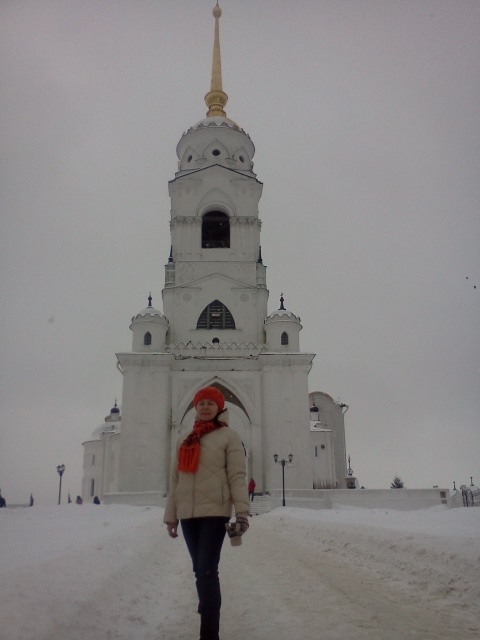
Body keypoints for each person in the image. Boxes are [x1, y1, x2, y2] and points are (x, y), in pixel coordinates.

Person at [164, 386, 250, 640]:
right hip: (188, 515)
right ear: (195, 407)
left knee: (207, 570)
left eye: (210, 403)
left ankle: (209, 632)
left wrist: (242, 512)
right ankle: (208, 615)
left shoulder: (229, 437)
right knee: (200, 571)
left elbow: (237, 476)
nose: (205, 407)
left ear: (219, 407)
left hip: (215, 512)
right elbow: (175, 480)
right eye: (201, 403)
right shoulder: (185, 439)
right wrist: (171, 516)